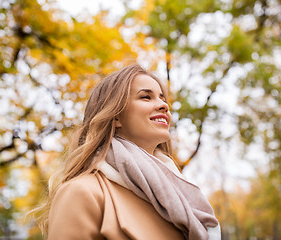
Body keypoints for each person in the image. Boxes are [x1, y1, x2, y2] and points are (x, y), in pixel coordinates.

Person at [38, 63, 220, 239]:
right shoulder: (82, 192)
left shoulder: (178, 197)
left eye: (162, 98)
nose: (164, 106)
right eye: (146, 97)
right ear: (116, 116)